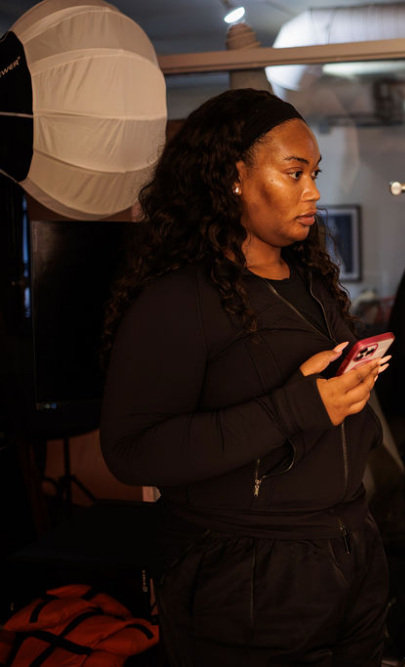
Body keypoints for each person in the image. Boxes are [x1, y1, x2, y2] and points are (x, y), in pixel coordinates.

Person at [100, 89, 389, 665]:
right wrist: (299, 405)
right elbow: (132, 452)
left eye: (315, 173)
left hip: (349, 553)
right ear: (234, 177)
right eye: (295, 172)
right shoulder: (180, 300)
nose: (314, 192)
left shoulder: (312, 284)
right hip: (248, 576)